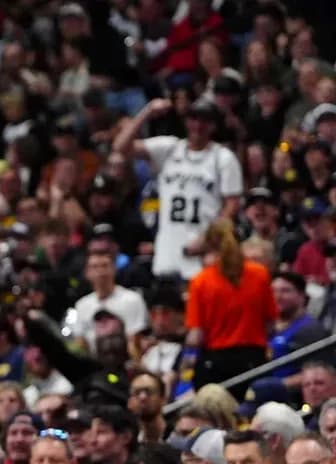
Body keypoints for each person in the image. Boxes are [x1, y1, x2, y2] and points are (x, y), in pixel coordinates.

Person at [113, 98, 243, 280]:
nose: (198, 125)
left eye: (204, 121)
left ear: (213, 126)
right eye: (194, 119)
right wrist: (148, 111)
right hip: (167, 249)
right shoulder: (170, 148)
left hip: (200, 249)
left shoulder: (223, 158)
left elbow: (232, 206)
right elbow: (121, 147)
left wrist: (209, 239)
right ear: (186, 122)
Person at [184, 219, 277, 399]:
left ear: (209, 245)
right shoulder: (260, 274)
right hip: (253, 359)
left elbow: (196, 337)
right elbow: (271, 324)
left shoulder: (200, 281)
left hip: (215, 364)